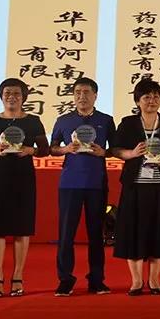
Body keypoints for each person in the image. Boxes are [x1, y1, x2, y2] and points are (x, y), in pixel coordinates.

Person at [0, 78, 49, 298]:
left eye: (16, 93)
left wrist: (31, 151)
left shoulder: (33, 121)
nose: (11, 97)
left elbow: (45, 150)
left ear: (24, 97)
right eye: (7, 93)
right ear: (1, 96)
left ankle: (17, 277)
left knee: (22, 229)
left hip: (23, 178)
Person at [49, 77, 117, 297]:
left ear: (95, 95)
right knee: (66, 234)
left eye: (86, 92)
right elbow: (52, 148)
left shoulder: (106, 120)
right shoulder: (63, 120)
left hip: (96, 183)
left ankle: (96, 280)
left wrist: (103, 152)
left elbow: (116, 149)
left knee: (96, 233)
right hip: (70, 183)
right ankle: (65, 280)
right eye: (78, 92)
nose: (82, 96)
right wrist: (65, 149)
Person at [112, 80, 160, 295]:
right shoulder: (128, 123)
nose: (152, 101)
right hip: (135, 186)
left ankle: (154, 280)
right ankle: (136, 280)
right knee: (133, 231)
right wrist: (131, 154)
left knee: (159, 231)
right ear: (137, 101)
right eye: (146, 97)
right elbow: (115, 149)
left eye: (156, 96)